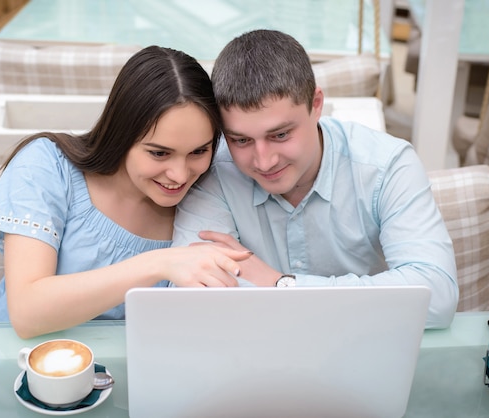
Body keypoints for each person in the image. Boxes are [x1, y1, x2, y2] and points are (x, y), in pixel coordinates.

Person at [172, 30, 459, 329]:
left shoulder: (388, 166)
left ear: (316, 104)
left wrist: (282, 285)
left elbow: (436, 297)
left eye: (280, 134)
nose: (264, 160)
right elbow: (193, 298)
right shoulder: (209, 167)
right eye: (241, 140)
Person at [0, 46, 252, 339]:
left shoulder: (208, 191)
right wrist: (161, 263)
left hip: (128, 379)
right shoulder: (46, 166)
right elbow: (27, 312)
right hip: (17, 372)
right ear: (121, 134)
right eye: (159, 153)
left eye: (198, 151)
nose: (180, 175)